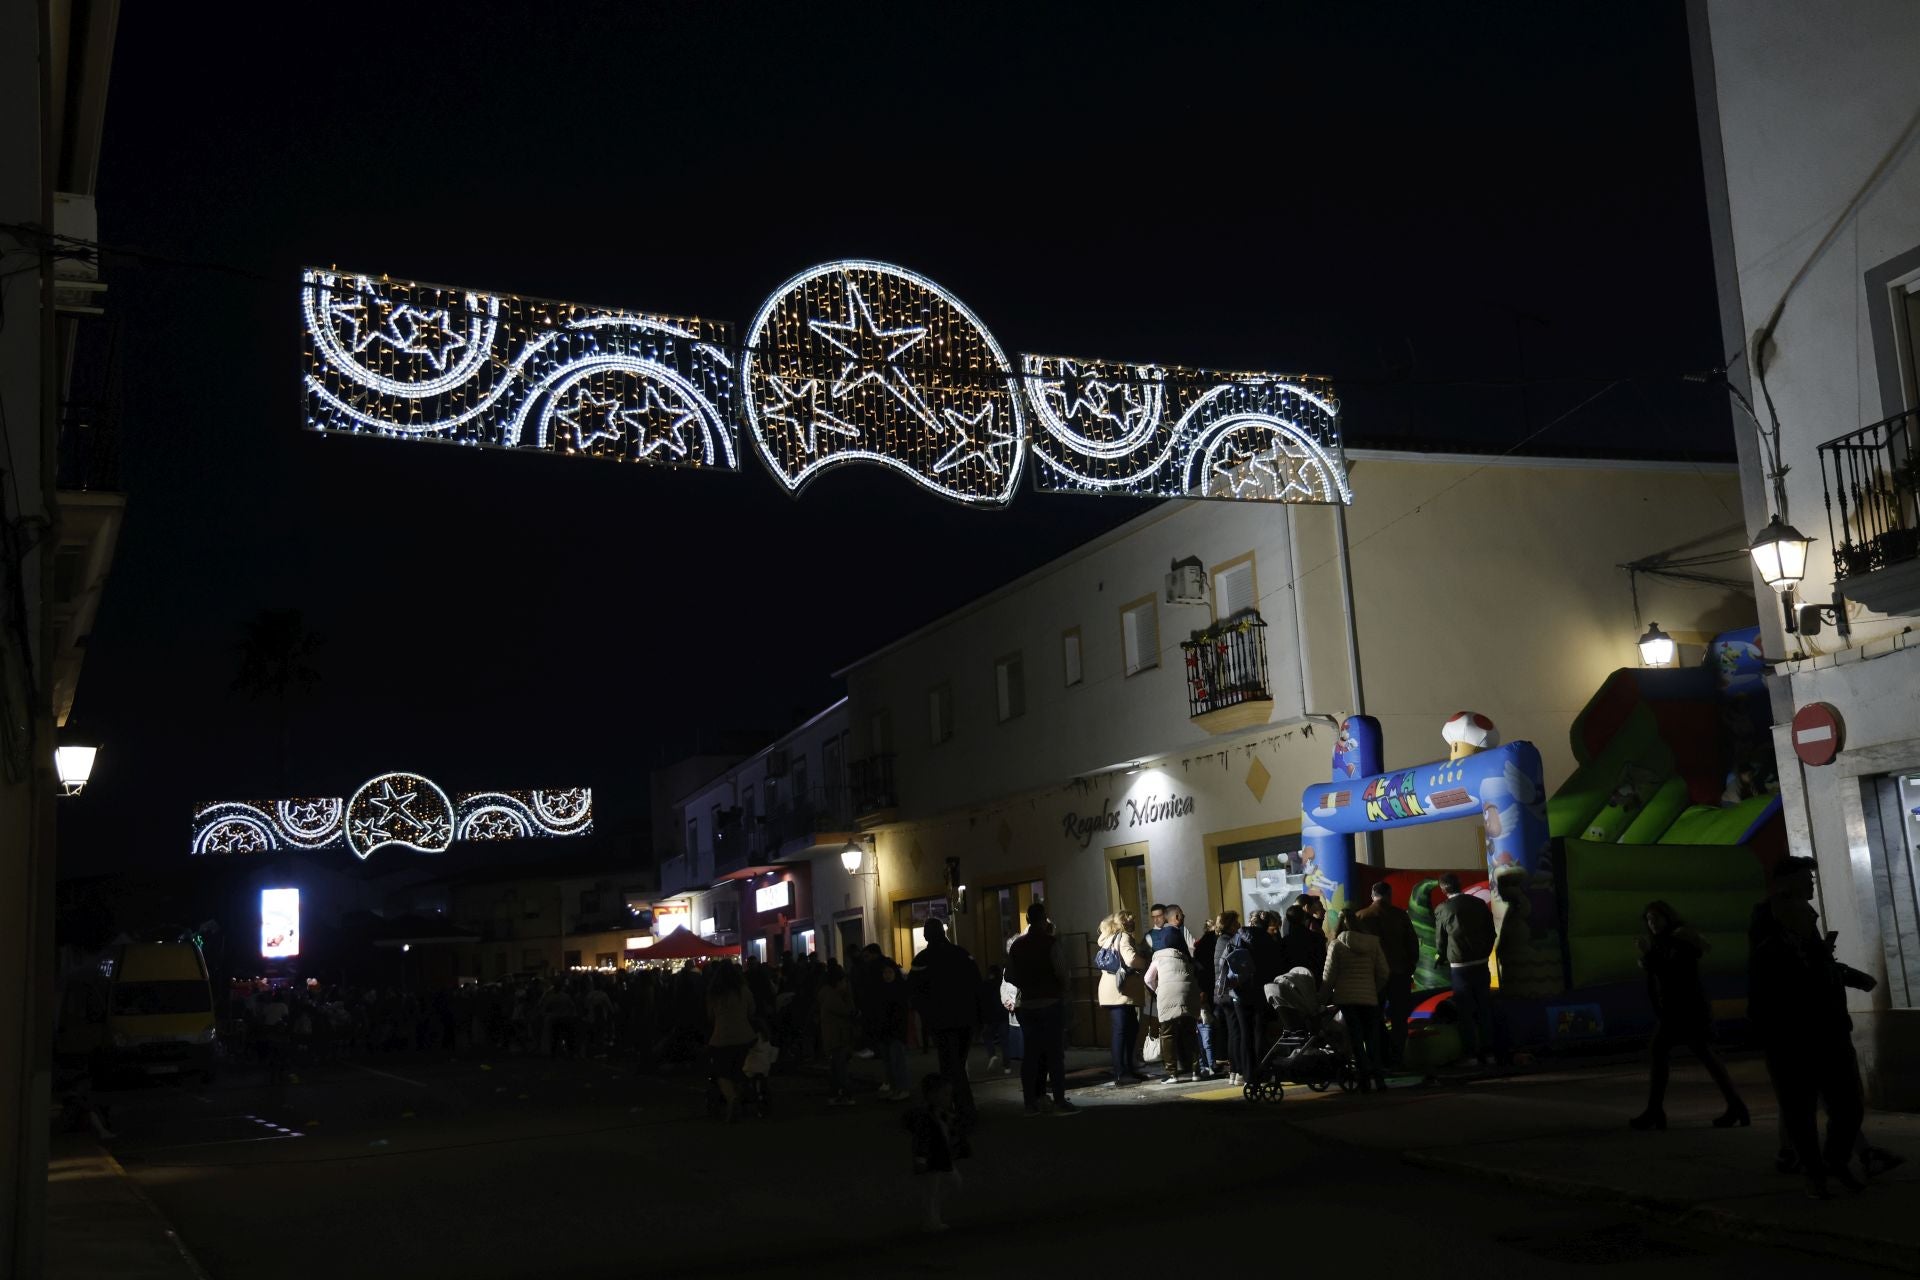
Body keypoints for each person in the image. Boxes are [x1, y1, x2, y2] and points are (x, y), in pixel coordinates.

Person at [1749, 855, 1872, 1197]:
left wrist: (1843, 974)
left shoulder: (1802, 916)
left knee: (1848, 1105)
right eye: (1807, 878)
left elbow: (1817, 967)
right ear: (1787, 883)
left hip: (1828, 1027)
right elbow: (1775, 978)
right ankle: (1817, 1172)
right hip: (1791, 1032)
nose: (1812, 884)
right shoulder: (1769, 922)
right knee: (1801, 1109)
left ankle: (1833, 1161)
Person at [1629, 900, 1747, 1131]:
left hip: (1685, 1009)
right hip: (1679, 1009)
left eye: (1656, 918)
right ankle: (1735, 1106)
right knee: (1698, 1054)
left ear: (1667, 917)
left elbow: (1672, 971)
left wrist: (1647, 955)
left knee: (1664, 1051)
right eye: (1649, 920)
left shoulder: (1678, 939)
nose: (1652, 923)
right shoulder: (1667, 940)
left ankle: (1655, 1110)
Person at [1005, 901, 1079, 1115]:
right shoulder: (1050, 943)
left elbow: (1009, 975)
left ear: (1028, 919)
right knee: (1054, 1054)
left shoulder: (1017, 945)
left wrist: (1025, 984)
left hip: (1027, 1005)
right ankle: (1059, 1101)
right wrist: (1063, 990)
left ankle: (1030, 1103)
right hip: (1051, 1002)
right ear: (1044, 919)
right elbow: (1062, 972)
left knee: (1031, 1055)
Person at [908, 918, 981, 1129]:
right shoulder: (962, 954)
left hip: (940, 1022)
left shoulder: (922, 960)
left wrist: (926, 1015)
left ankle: (959, 1111)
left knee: (950, 1067)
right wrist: (978, 1017)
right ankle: (960, 1109)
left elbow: (914, 991)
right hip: (965, 1019)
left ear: (926, 935)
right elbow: (977, 984)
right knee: (957, 1065)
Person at [1432, 874, 1498, 1066]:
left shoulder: (1442, 909)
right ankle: (1490, 1053)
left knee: (1465, 1011)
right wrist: (1485, 952)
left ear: (1443, 890)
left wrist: (1441, 956)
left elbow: (1440, 940)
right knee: (1484, 1008)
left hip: (1459, 966)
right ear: (1460, 884)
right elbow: (1491, 932)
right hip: (1481, 962)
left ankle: (1471, 1055)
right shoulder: (1478, 903)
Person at [1324, 911, 1391, 1091]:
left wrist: (1321, 999)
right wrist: (1373, 989)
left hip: (1347, 999)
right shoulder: (1373, 943)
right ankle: (1379, 1079)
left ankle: (1364, 1079)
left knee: (1356, 1038)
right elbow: (1384, 972)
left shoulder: (1336, 945)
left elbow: (1329, 977)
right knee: (1372, 1038)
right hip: (1369, 998)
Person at [1355, 882, 1420, 1069]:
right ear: (1390, 895)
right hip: (1399, 973)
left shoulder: (1360, 916)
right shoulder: (1400, 915)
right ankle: (1397, 1057)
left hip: (1372, 976)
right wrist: (1410, 967)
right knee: (1399, 1018)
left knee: (1374, 1018)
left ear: (1372, 895)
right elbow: (1412, 944)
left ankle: (1378, 1058)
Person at [1096, 911, 1152, 1085]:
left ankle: (1127, 1070)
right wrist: (1146, 963)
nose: (1134, 923)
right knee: (1122, 1032)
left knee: (1127, 1030)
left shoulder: (1109, 938)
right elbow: (1131, 960)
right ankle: (1121, 1073)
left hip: (1113, 990)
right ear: (1124, 923)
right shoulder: (1124, 937)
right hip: (1121, 991)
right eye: (1131, 920)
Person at [904, 1072, 965, 1231]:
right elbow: (923, 1139)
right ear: (932, 1095)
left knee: (939, 1188)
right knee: (936, 1189)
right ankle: (931, 1220)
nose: (949, 1098)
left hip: (939, 1158)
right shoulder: (928, 1117)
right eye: (945, 1094)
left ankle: (932, 1218)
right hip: (934, 1159)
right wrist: (921, 1159)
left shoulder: (940, 1114)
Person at [705, 961, 759, 1123]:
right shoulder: (744, 990)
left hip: (720, 1038)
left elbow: (710, 1016)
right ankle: (742, 1096)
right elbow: (752, 1011)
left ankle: (731, 1097)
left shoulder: (714, 993)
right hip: (745, 1036)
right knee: (742, 1070)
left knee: (721, 1072)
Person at [1146, 923, 1200, 1082]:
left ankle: (1172, 1074)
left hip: (1167, 995)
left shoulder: (1158, 957)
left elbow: (1148, 979)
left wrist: (1157, 991)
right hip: (1188, 995)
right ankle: (1196, 1072)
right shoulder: (1185, 956)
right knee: (1190, 1033)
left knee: (1168, 1034)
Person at [1211, 911, 1255, 1085]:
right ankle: (1240, 1070)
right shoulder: (1229, 941)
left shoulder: (1219, 941)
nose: (1239, 925)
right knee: (1238, 1032)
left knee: (1232, 1032)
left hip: (1221, 992)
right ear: (1230, 925)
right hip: (1230, 992)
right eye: (1236, 922)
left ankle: (1234, 1072)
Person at [817, 960, 857, 1106]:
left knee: (836, 1068)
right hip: (838, 1037)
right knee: (840, 1068)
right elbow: (848, 1011)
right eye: (844, 982)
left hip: (831, 1036)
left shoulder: (825, 994)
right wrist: (849, 995)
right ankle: (845, 1094)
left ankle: (836, 1094)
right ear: (838, 982)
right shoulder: (833, 997)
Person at [876, 960, 914, 1101]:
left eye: (890, 972)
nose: (887, 975)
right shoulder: (883, 989)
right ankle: (895, 1088)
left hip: (896, 1031)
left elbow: (901, 1014)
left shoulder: (899, 990)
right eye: (885, 972)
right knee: (889, 1063)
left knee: (898, 1061)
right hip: (885, 1031)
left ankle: (903, 1088)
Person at [1194, 916, 1221, 1075]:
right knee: (1208, 1030)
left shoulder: (1200, 946)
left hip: (1205, 991)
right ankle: (1212, 1063)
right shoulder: (1212, 944)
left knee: (1204, 1032)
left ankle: (1206, 1064)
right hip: (1211, 990)